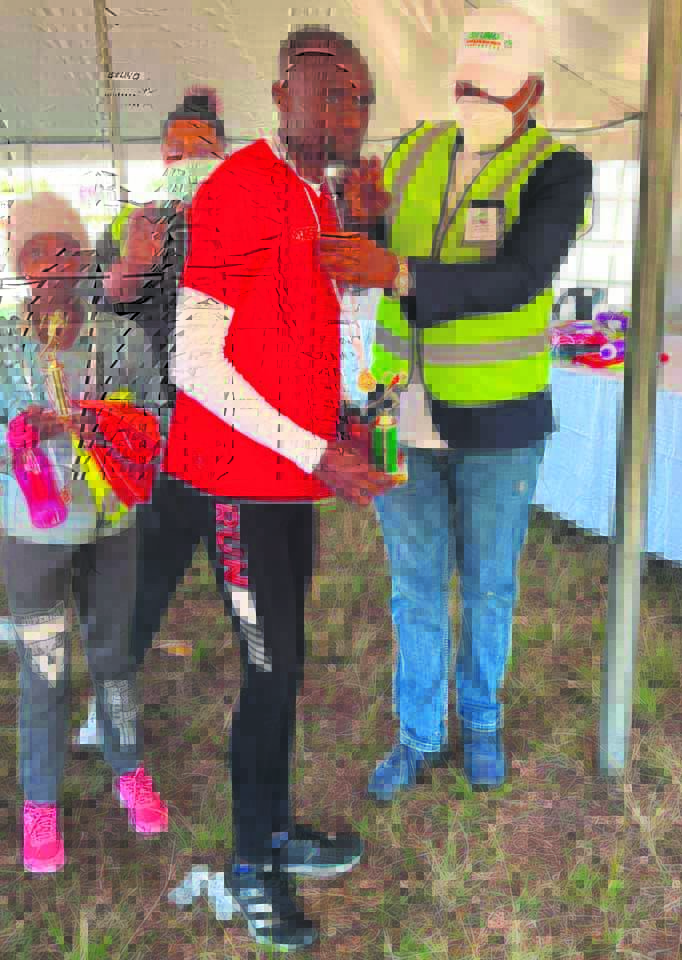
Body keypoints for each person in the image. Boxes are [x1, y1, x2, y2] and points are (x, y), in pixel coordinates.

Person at [163, 26, 401, 949]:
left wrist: (347, 420)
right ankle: (250, 865)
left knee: (287, 665)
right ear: (280, 95)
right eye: (331, 93)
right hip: (238, 483)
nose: (350, 114)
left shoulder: (319, 196)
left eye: (361, 98)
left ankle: (273, 831)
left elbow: (337, 326)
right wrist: (315, 451)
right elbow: (192, 361)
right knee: (268, 673)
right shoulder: (239, 188)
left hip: (291, 478)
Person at [336, 8, 593, 803]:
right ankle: (418, 733)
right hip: (392, 409)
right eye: (464, 88)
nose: (473, 102)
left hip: (498, 416)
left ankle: (481, 723)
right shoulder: (416, 146)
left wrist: (397, 273)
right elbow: (371, 242)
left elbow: (521, 276)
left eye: (491, 91)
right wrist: (361, 217)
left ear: (532, 91)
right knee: (413, 584)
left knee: (487, 586)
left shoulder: (559, 171)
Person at [0, 192, 169, 873]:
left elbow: (159, 421)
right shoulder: (5, 346)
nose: (52, 266)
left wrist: (108, 425)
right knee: (43, 671)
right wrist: (19, 438)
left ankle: (128, 769)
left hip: (110, 526)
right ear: (19, 264)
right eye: (36, 252)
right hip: (31, 535)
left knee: (113, 658)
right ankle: (40, 802)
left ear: (84, 258)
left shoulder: (123, 339)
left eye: (65, 250)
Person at [74, 89, 227, 748]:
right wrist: (132, 266)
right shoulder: (129, 222)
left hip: (235, 433)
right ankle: (107, 704)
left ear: (223, 156)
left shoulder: (253, 220)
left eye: (200, 149)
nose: (185, 160)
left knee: (252, 580)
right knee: (141, 580)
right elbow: (96, 308)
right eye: (174, 150)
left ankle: (268, 692)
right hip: (158, 435)